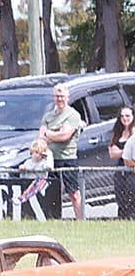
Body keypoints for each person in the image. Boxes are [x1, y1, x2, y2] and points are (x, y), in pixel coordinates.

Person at [40, 82, 85, 220]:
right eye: (57, 96)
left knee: (74, 193)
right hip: (51, 160)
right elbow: (41, 138)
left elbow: (65, 136)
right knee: (51, 193)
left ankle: (80, 220)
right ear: (53, 97)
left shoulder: (73, 115)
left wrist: (50, 134)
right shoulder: (48, 116)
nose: (60, 99)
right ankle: (53, 219)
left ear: (68, 97)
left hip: (68, 159)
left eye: (62, 96)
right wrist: (55, 133)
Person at [110, 105, 135, 220]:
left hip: (132, 170)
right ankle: (122, 220)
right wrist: (125, 151)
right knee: (120, 197)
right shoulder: (117, 132)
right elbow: (112, 154)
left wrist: (121, 151)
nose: (125, 118)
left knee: (131, 196)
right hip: (120, 169)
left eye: (127, 116)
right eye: (122, 116)